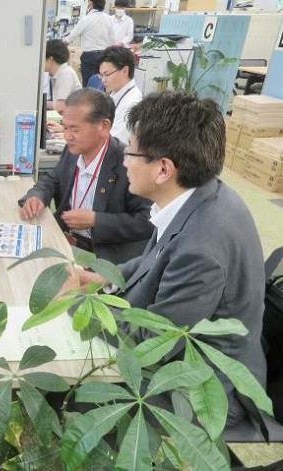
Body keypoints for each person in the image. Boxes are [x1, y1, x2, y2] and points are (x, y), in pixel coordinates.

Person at [74, 92, 267, 426]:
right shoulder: (196, 194)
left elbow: (153, 343)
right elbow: (156, 256)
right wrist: (106, 278)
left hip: (207, 390)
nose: (124, 161)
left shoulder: (201, 250)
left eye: (130, 151)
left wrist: (78, 305)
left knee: (79, 398)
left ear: (163, 168)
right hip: (181, 348)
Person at [18, 88, 153, 264]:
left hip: (104, 256)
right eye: (65, 127)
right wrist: (38, 196)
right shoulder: (72, 151)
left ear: (104, 127)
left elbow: (147, 222)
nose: (67, 136)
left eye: (75, 129)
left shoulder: (128, 163)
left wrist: (97, 220)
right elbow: (53, 179)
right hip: (66, 239)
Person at [62, 0, 115, 86]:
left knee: (88, 84)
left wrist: (63, 42)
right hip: (104, 56)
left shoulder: (87, 19)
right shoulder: (109, 19)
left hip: (89, 57)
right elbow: (113, 40)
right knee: (103, 84)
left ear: (91, 4)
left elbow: (72, 36)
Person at [99, 46, 142, 145]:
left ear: (125, 71)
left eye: (107, 74)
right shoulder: (115, 92)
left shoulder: (132, 104)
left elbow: (115, 143)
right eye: (101, 75)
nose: (103, 80)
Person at [45, 39, 82, 115]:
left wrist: (40, 103)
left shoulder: (65, 74)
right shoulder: (58, 73)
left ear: (50, 59)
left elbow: (60, 107)